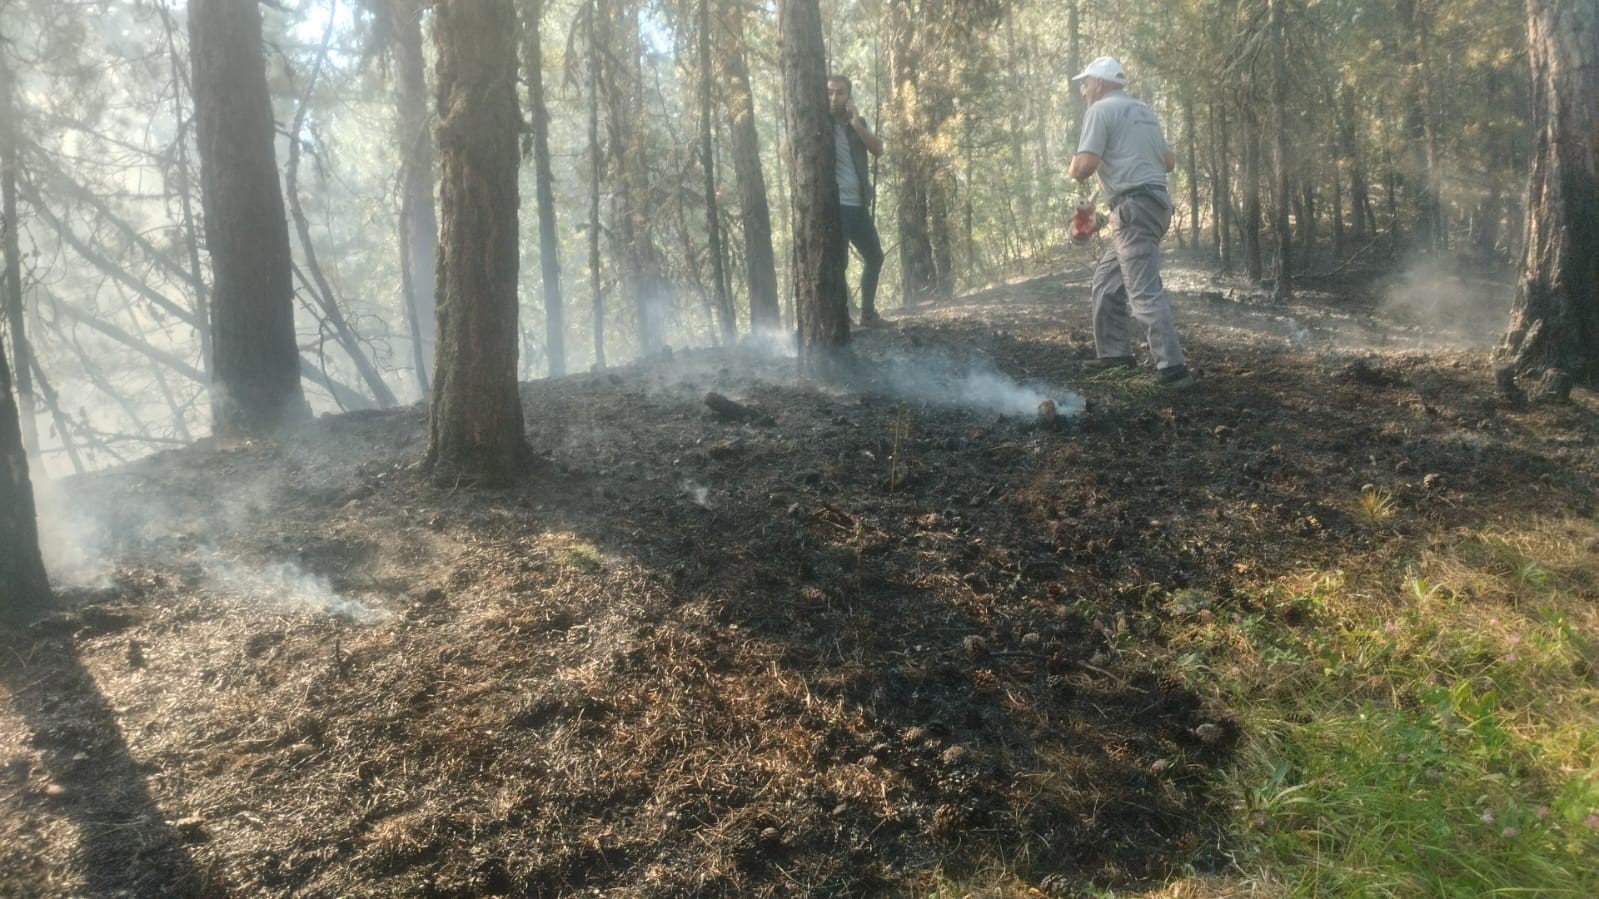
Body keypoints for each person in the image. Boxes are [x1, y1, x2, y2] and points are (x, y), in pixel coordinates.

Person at [1067, 56, 1194, 389]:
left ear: (1101, 83)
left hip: (1133, 209)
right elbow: (1168, 162)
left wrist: (1074, 167)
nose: (1083, 90)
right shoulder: (1143, 111)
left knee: (1143, 292)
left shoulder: (1099, 111)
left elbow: (1084, 167)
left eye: (1086, 83)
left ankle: (1173, 370)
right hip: (1153, 205)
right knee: (1107, 282)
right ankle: (1115, 356)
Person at [827, 74, 887, 327]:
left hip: (858, 205)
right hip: (835, 207)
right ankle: (841, 318)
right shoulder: (817, 124)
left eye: (839, 92)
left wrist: (856, 124)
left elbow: (878, 149)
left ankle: (867, 314)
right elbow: (785, 150)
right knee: (838, 264)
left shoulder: (857, 123)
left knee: (874, 256)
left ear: (848, 97)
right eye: (829, 92)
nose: (833, 97)